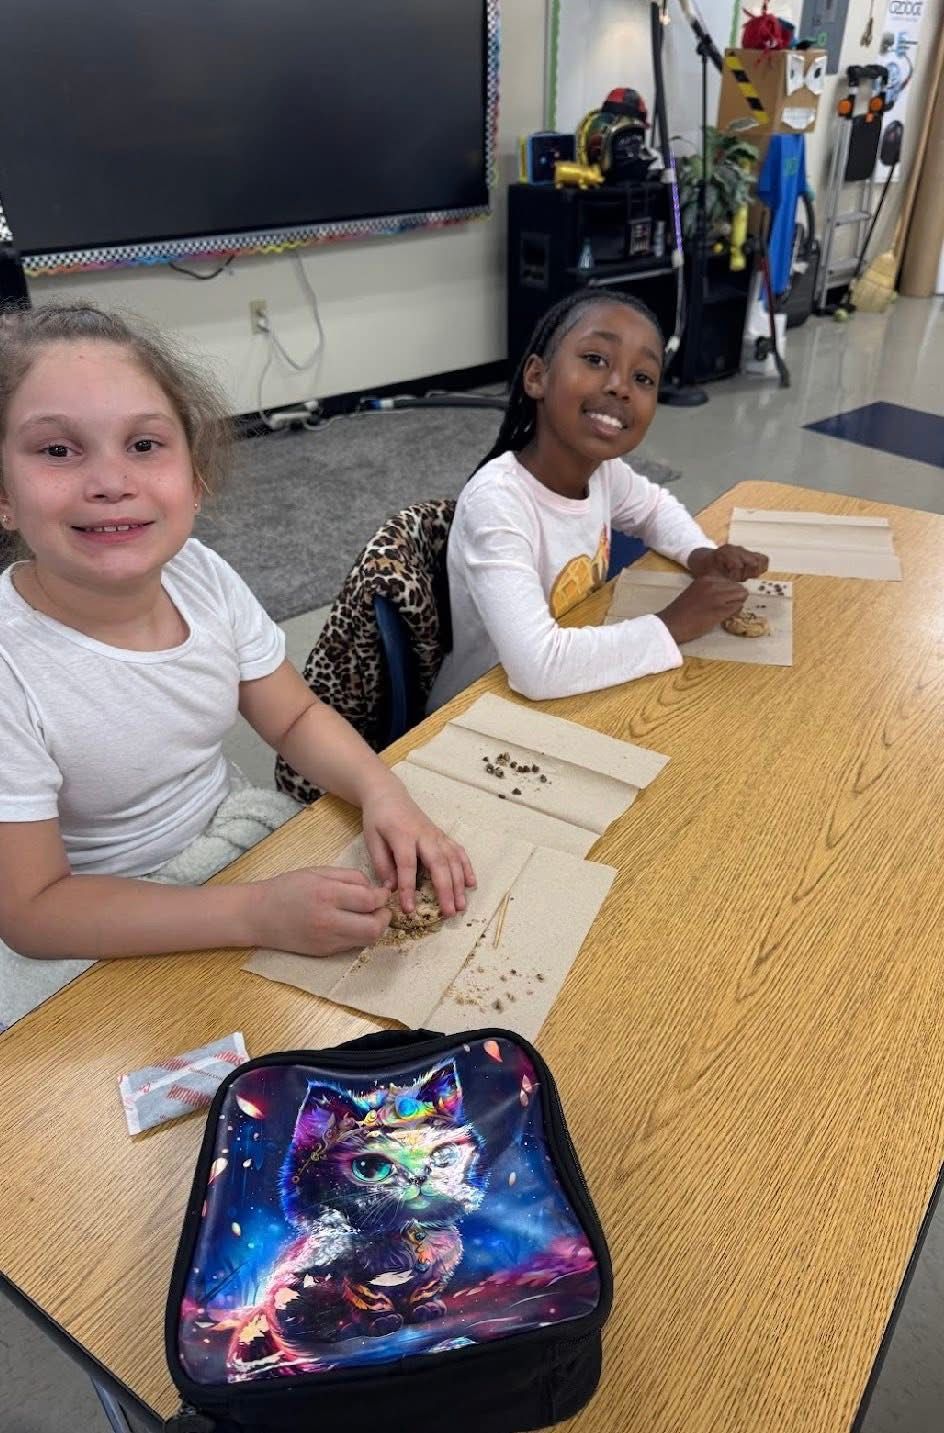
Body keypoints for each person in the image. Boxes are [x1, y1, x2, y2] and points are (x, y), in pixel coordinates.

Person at [0, 304, 474, 970]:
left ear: (194, 480)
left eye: (144, 444)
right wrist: (254, 912)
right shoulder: (10, 665)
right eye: (57, 450)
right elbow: (34, 911)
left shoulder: (202, 575)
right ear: (4, 494)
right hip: (94, 919)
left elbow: (297, 716)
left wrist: (383, 792)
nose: (110, 482)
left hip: (225, 847)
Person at [428, 291, 768, 710]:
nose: (619, 387)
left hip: (570, 693)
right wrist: (672, 624)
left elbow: (654, 509)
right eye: (595, 359)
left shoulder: (602, 472)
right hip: (479, 710)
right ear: (536, 377)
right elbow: (537, 666)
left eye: (643, 378)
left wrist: (700, 555)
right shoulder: (498, 502)